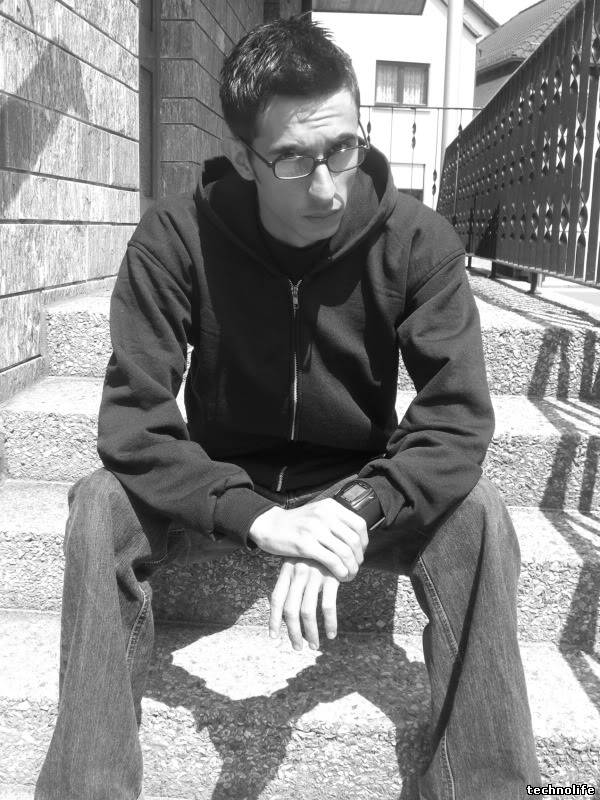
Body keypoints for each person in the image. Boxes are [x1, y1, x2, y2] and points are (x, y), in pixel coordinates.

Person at [35, 15, 541, 800]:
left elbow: (456, 419)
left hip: (351, 481)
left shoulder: (417, 241)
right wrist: (257, 518)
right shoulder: (175, 238)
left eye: (343, 147)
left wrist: (356, 508)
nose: (328, 186)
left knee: (480, 515)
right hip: (224, 479)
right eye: (294, 160)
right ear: (244, 158)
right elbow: (133, 423)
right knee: (99, 505)